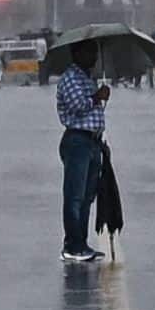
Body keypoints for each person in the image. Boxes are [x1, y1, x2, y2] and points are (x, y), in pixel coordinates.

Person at [54, 38, 110, 262]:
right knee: (74, 197)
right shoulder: (70, 78)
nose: (94, 57)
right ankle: (71, 245)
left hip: (92, 141)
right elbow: (77, 106)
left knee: (87, 197)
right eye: (89, 52)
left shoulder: (87, 78)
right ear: (77, 54)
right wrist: (97, 97)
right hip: (77, 141)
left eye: (95, 52)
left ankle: (81, 243)